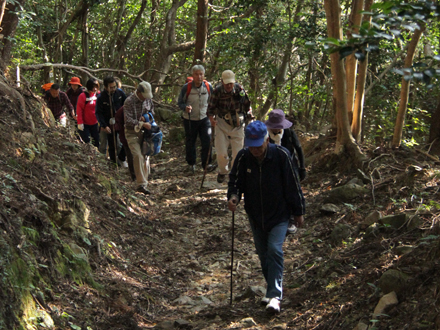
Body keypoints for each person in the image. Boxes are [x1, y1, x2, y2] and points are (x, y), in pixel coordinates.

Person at [227, 121, 305, 313]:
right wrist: (234, 196)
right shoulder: (243, 157)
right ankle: (271, 291)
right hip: (255, 216)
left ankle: (275, 296)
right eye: (250, 145)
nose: (254, 150)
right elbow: (234, 181)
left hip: (279, 214)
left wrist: (298, 211)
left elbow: (293, 185)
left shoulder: (281, 156)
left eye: (258, 145)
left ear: (266, 140)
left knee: (274, 250)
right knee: (264, 257)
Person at [208, 70, 251, 183]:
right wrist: (211, 120)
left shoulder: (240, 90)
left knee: (238, 153)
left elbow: (248, 106)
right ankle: (222, 171)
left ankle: (235, 174)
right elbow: (210, 109)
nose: (229, 86)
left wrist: (250, 116)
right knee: (221, 153)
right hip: (222, 124)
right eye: (226, 83)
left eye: (231, 83)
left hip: (238, 125)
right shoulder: (217, 91)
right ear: (222, 82)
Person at [177, 65, 215, 173]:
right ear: (193, 75)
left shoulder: (208, 87)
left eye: (201, 74)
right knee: (190, 142)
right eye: (196, 74)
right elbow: (180, 102)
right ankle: (191, 164)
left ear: (204, 75)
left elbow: (212, 101)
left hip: (204, 118)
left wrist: (213, 115)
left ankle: (207, 164)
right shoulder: (187, 87)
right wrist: (185, 107)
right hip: (189, 119)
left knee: (207, 141)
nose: (199, 76)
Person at [124, 81, 154, 194]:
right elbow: (128, 120)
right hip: (132, 132)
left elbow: (152, 113)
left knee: (145, 157)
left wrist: (147, 118)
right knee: (137, 156)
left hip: (145, 133)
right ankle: (141, 184)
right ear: (138, 92)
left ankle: (144, 183)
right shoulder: (129, 101)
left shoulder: (148, 100)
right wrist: (141, 123)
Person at [96, 76, 127, 163]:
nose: (113, 89)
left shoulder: (120, 93)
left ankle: (122, 159)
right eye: (111, 87)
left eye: (114, 87)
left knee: (124, 141)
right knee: (112, 144)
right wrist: (104, 125)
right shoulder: (101, 97)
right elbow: (98, 113)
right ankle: (113, 162)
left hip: (121, 122)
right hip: (108, 123)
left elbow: (127, 105)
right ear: (105, 87)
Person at [76, 78, 100, 148]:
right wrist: (80, 123)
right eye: (93, 87)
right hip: (85, 124)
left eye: (96, 87)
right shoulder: (83, 96)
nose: (95, 89)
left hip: (95, 123)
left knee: (96, 141)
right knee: (86, 142)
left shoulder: (98, 95)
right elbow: (79, 109)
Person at [115, 106, 136, 181]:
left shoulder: (140, 107)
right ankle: (134, 175)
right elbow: (118, 123)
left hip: (137, 135)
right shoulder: (122, 110)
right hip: (125, 135)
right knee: (130, 155)